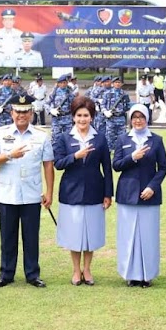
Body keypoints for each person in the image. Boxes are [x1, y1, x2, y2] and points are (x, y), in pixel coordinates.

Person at [0, 94, 54, 288]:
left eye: (25, 111)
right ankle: (6, 274)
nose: (21, 115)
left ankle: (32, 274)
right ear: (11, 112)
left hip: (32, 194)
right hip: (8, 194)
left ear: (31, 113)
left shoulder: (41, 135)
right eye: (18, 111)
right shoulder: (1, 133)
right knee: (7, 236)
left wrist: (49, 192)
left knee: (31, 236)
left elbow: (48, 165)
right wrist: (9, 155)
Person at [53, 96, 113, 286]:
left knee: (90, 233)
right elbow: (58, 163)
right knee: (74, 232)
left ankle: (87, 270)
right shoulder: (64, 138)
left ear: (92, 117)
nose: (82, 119)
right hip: (71, 191)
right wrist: (76, 156)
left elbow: (107, 168)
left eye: (86, 115)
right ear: (73, 117)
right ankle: (75, 270)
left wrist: (108, 193)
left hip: (95, 191)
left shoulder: (100, 138)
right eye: (79, 115)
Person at [112, 104, 166, 287]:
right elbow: (117, 165)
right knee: (128, 235)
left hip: (149, 195)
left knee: (148, 236)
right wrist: (133, 157)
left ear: (147, 118)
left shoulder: (156, 140)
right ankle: (130, 274)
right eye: (134, 117)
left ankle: (147, 275)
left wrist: (153, 186)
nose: (138, 120)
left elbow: (163, 168)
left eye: (141, 117)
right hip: (127, 194)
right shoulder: (122, 139)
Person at [102, 76, 131, 150]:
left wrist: (122, 110)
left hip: (121, 119)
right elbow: (102, 105)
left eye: (119, 82)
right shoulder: (107, 93)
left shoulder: (124, 94)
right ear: (112, 84)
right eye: (116, 82)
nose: (117, 84)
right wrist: (105, 111)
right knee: (109, 138)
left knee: (122, 138)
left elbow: (128, 106)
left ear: (121, 84)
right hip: (111, 119)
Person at [47, 75, 75, 144]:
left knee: (69, 138)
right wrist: (51, 110)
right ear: (58, 83)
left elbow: (74, 105)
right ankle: (56, 153)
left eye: (65, 82)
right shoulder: (54, 93)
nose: (63, 84)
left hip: (67, 118)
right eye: (61, 83)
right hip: (57, 119)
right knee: (56, 138)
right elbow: (46, 103)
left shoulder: (70, 93)